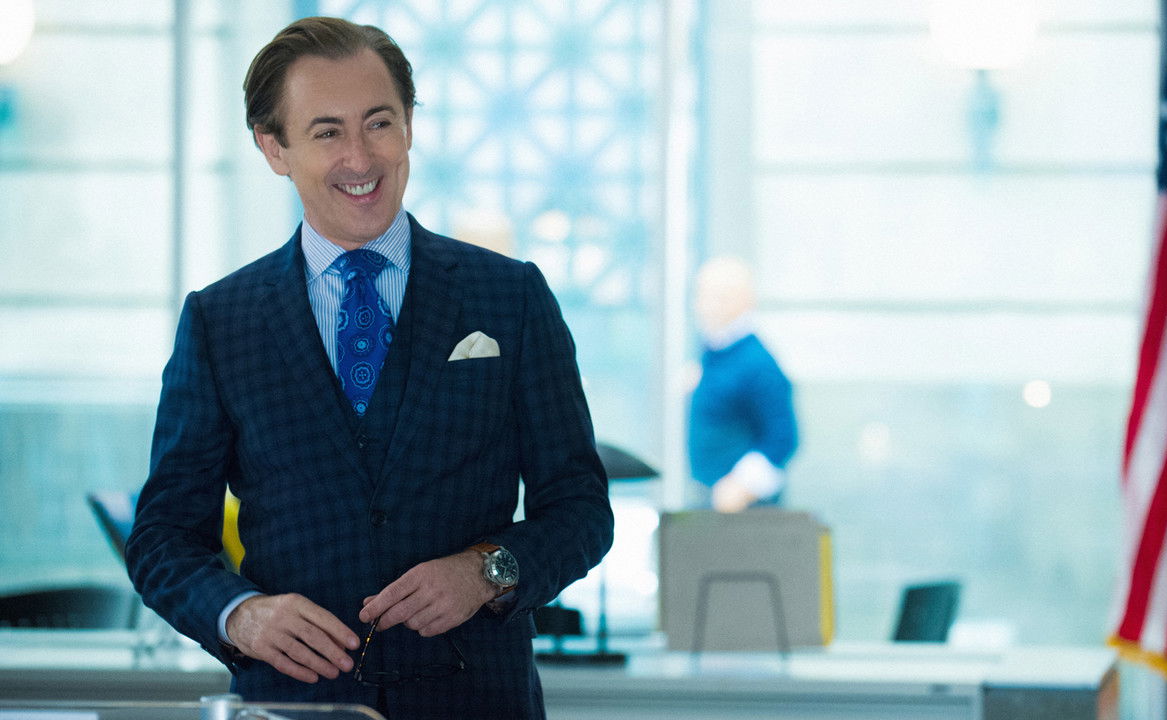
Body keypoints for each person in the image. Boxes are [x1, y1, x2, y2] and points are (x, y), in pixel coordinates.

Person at [125, 17, 613, 720]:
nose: (360, 157)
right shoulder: (219, 320)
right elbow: (162, 537)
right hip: (291, 707)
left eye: (379, 123)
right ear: (273, 148)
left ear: (409, 126)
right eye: (327, 132)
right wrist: (241, 615)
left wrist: (488, 571)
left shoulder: (511, 298)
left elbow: (581, 509)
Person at [687, 256, 799, 512]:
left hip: (743, 511)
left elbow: (783, 437)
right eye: (702, 295)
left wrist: (742, 484)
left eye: (720, 296)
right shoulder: (715, 351)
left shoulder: (757, 362)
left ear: (745, 300)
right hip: (708, 500)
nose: (706, 305)